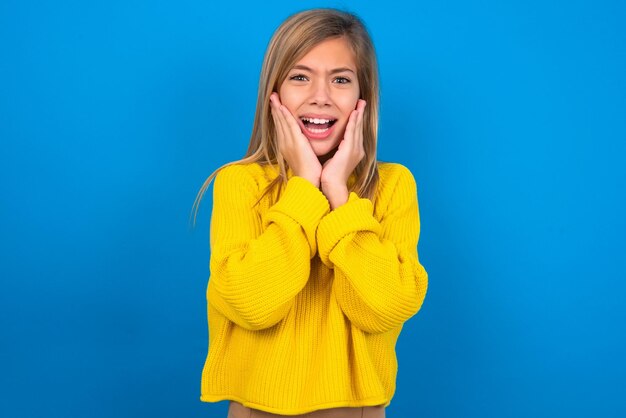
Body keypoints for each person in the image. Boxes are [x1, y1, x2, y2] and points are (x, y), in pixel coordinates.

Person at [191, 8, 428, 418]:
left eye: (340, 79)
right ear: (275, 92)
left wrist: (337, 192)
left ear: (362, 97)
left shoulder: (393, 185)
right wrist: (303, 187)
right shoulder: (240, 183)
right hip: (257, 408)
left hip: (358, 409)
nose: (320, 95)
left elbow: (384, 308)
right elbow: (252, 305)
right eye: (300, 77)